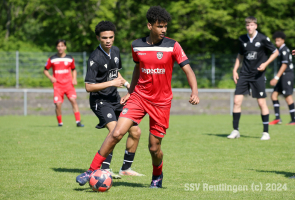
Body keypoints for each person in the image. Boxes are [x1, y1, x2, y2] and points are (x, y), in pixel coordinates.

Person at [76, 6, 199, 188]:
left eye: (165, 26)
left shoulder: (173, 45)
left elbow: (188, 70)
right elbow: (137, 68)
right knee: (117, 132)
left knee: (154, 148)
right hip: (139, 98)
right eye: (160, 26)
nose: (164, 30)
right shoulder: (136, 45)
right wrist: (131, 92)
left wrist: (194, 92)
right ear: (150, 26)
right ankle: (91, 170)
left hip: (161, 103)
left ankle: (157, 175)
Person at [76, 21, 144, 184]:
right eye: (104, 37)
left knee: (136, 132)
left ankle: (126, 169)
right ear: (98, 38)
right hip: (100, 101)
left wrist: (128, 87)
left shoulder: (116, 51)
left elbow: (116, 76)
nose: (108, 40)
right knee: (115, 132)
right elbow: (88, 86)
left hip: (115, 98)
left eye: (111, 37)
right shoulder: (94, 57)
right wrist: (111, 83)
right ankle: (105, 169)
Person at [227, 16, 278, 140]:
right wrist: (235, 70)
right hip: (244, 74)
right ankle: (235, 130)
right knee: (236, 101)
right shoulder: (242, 39)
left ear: (256, 26)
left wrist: (265, 64)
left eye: (251, 25)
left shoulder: (263, 39)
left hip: (258, 76)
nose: (249, 27)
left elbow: (275, 52)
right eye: (247, 25)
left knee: (261, 103)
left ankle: (266, 132)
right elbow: (240, 56)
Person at [44, 39, 84, 127]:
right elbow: (45, 70)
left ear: (65, 47)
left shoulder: (70, 58)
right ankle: (60, 123)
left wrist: (74, 78)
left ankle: (78, 122)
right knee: (58, 104)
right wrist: (50, 77)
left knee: (73, 100)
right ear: (56, 47)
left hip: (69, 84)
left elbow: (74, 69)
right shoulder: (52, 59)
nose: (60, 48)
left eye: (62, 46)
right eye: (58, 46)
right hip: (57, 85)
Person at [269, 31, 295, 125]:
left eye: (278, 40)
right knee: (274, 95)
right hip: (282, 77)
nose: (276, 43)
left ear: (283, 40)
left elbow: (284, 65)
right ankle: (277, 118)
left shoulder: (284, 50)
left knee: (288, 97)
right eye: (275, 41)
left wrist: (276, 77)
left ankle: (294, 119)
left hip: (287, 75)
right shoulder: (280, 50)